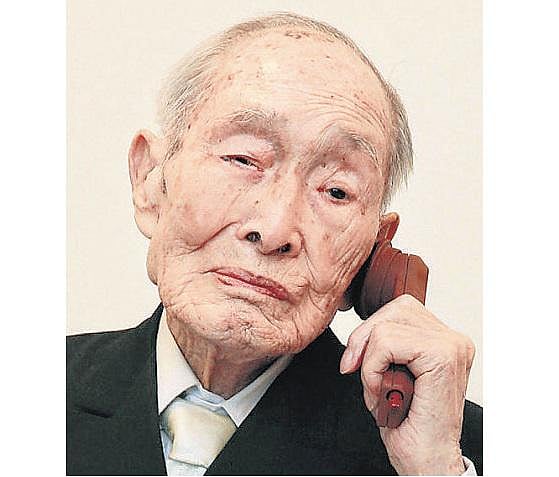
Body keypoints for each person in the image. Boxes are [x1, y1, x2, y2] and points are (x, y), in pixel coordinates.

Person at [67, 13, 482, 476]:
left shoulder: (451, 451)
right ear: (151, 180)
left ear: (373, 249)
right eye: (243, 159)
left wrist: (431, 469)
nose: (274, 230)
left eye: (336, 190)